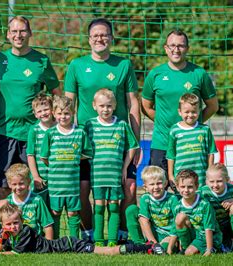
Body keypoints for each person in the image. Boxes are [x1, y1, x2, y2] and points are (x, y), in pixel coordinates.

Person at [64, 18, 141, 241]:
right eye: (96, 35)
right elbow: (68, 104)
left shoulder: (124, 65)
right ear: (89, 39)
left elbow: (133, 104)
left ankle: (122, 233)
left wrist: (135, 140)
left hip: (117, 142)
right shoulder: (76, 65)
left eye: (104, 34)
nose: (100, 38)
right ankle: (89, 234)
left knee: (129, 189)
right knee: (83, 191)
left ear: (111, 38)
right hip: (86, 144)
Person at [0, 15, 60, 202]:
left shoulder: (41, 61)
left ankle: (35, 230)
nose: (18, 35)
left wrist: (55, 121)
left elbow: (56, 93)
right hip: (5, 133)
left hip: (34, 134)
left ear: (30, 33)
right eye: (14, 31)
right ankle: (2, 231)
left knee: (36, 186)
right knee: (5, 188)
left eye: (22, 31)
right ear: (8, 34)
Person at [142, 29, 218, 182]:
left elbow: (213, 106)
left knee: (187, 193)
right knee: (158, 193)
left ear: (187, 49)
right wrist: (162, 121)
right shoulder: (155, 74)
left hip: (190, 147)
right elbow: (146, 106)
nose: (176, 49)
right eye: (172, 45)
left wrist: (192, 125)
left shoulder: (199, 73)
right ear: (165, 48)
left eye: (181, 46)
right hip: (161, 143)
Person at [0, 204, 160, 255]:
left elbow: (12, 254)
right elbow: (0, 248)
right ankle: (143, 248)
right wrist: (0, 241)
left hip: (68, 245)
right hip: (66, 245)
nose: (13, 227)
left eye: (16, 222)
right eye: (9, 224)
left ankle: (148, 248)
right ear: (3, 224)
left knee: (108, 251)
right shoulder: (8, 233)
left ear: (22, 221)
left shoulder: (25, 231)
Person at [83, 89, 139, 246]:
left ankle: (113, 240)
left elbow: (132, 146)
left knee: (114, 207)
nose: (105, 109)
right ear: (94, 106)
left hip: (114, 175)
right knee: (99, 207)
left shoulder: (121, 125)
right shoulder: (90, 125)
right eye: (101, 106)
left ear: (114, 106)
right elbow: (82, 146)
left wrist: (124, 168)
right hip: (98, 175)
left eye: (109, 106)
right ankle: (99, 240)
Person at [40, 95, 92, 239]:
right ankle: (56, 242)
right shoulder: (50, 133)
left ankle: (74, 242)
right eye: (60, 113)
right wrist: (57, 165)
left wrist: (72, 159)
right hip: (56, 184)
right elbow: (44, 157)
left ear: (73, 113)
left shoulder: (80, 133)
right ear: (54, 114)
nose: (63, 116)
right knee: (55, 212)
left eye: (67, 113)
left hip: (72, 184)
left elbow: (88, 153)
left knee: (73, 213)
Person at [0, 163, 54, 250]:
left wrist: (48, 247)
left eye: (21, 183)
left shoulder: (37, 200)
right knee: (0, 204)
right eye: (14, 184)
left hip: (33, 243)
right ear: (9, 184)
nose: (18, 187)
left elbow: (48, 226)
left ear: (29, 182)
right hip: (11, 244)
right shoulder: (7, 202)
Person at [199, 163, 233, 254]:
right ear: (206, 181)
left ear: (227, 180)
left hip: (230, 224)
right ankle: (223, 242)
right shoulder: (203, 192)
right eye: (212, 181)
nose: (215, 185)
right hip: (212, 227)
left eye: (219, 181)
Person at [166, 93, 217, 188]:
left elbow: (211, 153)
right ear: (179, 111)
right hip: (181, 175)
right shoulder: (174, 130)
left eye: (194, 112)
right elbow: (171, 155)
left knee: (201, 199)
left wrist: (210, 173)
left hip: (201, 176)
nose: (190, 115)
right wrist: (170, 175)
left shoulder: (205, 129)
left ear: (199, 111)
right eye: (187, 112)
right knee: (183, 199)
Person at [125, 166, 179, 255]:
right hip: (154, 234)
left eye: (159, 183)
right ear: (145, 186)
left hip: (170, 236)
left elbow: (177, 222)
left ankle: (152, 248)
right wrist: (154, 243)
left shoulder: (172, 199)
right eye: (152, 184)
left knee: (165, 249)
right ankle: (140, 244)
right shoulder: (145, 198)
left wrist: (172, 237)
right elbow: (144, 220)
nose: (156, 187)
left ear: (165, 183)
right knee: (131, 209)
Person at [173, 169, 222, 256]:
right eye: (183, 187)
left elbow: (208, 228)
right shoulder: (177, 206)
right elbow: (177, 227)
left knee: (189, 253)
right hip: (194, 235)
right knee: (180, 218)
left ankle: (215, 248)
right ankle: (185, 247)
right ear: (177, 187)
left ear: (197, 186)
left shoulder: (204, 204)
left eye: (190, 187)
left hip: (206, 237)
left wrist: (209, 249)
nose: (186, 190)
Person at [26, 92, 56, 205]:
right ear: (35, 114)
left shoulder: (60, 127)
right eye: (39, 111)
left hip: (57, 176)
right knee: (40, 207)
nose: (43, 113)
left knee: (55, 209)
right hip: (41, 179)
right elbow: (30, 155)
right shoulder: (34, 130)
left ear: (52, 109)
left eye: (46, 109)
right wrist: (36, 177)